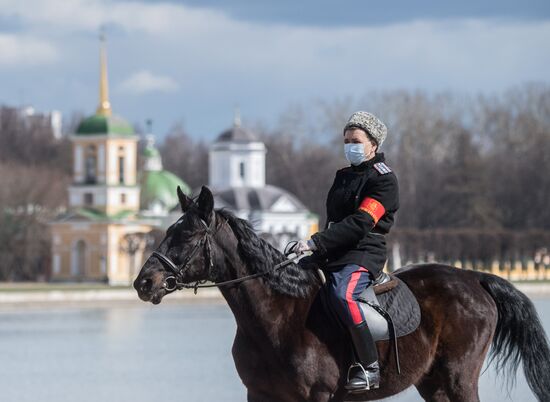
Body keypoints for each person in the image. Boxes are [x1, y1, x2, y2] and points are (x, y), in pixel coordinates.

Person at [295, 111, 399, 392]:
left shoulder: (384, 180)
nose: (349, 146)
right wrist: (314, 252)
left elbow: (361, 223)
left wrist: (316, 242)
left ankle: (369, 366)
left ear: (373, 145)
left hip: (364, 251)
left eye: (355, 140)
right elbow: (333, 221)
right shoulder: (342, 176)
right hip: (334, 250)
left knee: (343, 294)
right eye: (345, 140)